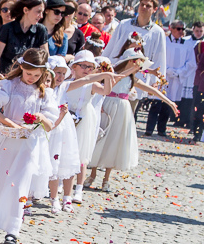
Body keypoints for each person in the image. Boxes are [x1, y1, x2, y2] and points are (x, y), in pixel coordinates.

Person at [0, 48, 59, 244]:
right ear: (21, 67)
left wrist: (41, 118)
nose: (32, 78)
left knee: (19, 183)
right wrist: (11, 124)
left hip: (28, 144)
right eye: (28, 73)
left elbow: (51, 124)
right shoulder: (8, 85)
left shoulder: (44, 93)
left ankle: (13, 229)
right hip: (6, 139)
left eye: (36, 75)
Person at [87, 49, 178, 188]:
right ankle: (92, 174)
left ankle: (106, 178)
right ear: (131, 61)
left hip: (123, 109)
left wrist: (169, 102)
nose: (140, 67)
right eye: (138, 63)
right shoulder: (114, 73)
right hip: (108, 105)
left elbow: (151, 90)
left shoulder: (132, 79)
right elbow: (114, 81)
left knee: (116, 141)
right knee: (101, 137)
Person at [103, 0, 167, 134]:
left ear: (155, 10)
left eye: (148, 6)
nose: (144, 8)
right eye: (142, 4)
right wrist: (103, 63)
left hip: (139, 76)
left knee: (129, 111)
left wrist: (156, 81)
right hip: (117, 72)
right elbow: (112, 45)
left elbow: (159, 57)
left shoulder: (157, 32)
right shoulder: (125, 24)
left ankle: (122, 138)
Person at [62, 50, 114, 204]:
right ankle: (61, 183)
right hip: (66, 118)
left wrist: (108, 76)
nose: (86, 70)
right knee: (64, 151)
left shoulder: (91, 84)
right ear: (74, 67)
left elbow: (106, 91)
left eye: (90, 67)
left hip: (83, 119)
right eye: (83, 66)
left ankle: (78, 188)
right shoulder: (67, 83)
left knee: (81, 156)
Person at [44, 56, 80, 214]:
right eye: (57, 72)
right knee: (49, 162)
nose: (59, 76)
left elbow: (86, 80)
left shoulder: (64, 87)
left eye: (63, 73)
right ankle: (46, 198)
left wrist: (106, 75)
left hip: (63, 129)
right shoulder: (43, 89)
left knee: (65, 160)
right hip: (49, 128)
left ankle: (65, 197)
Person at [0, 0, 49, 74]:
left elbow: (45, 59)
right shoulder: (7, 29)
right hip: (6, 76)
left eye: (42, 12)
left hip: (29, 78)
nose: (41, 16)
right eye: (38, 12)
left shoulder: (41, 30)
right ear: (26, 10)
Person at [164, 20, 196, 128]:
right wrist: (167, 70)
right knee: (158, 102)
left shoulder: (187, 44)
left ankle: (162, 128)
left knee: (171, 102)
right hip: (164, 75)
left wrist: (179, 72)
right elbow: (158, 58)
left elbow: (191, 63)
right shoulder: (164, 41)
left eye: (183, 29)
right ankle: (150, 128)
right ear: (171, 28)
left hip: (178, 78)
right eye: (178, 29)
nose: (181, 31)